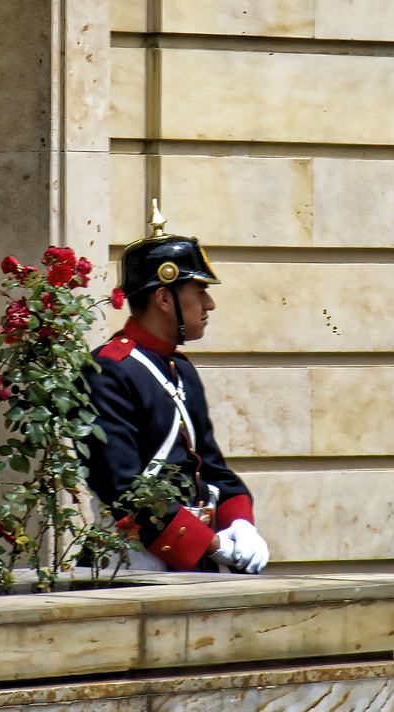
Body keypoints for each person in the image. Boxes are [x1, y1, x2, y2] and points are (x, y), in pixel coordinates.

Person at [82, 201, 269, 574]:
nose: (209, 303)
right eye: (199, 291)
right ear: (164, 298)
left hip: (195, 555)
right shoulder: (107, 371)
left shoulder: (178, 366)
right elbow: (121, 488)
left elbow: (211, 468)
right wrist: (212, 544)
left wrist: (240, 524)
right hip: (136, 563)